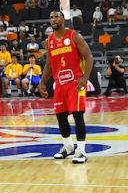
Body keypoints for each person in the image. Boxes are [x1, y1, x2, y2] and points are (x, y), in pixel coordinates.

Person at [38, 10, 94, 164]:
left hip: (75, 83)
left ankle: (81, 150)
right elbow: (49, 64)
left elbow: (89, 56)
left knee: (77, 116)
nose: (53, 19)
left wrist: (85, 77)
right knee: (61, 116)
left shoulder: (74, 36)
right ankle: (68, 146)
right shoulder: (49, 41)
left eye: (56, 16)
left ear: (63, 19)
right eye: (51, 17)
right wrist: (42, 82)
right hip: (59, 84)